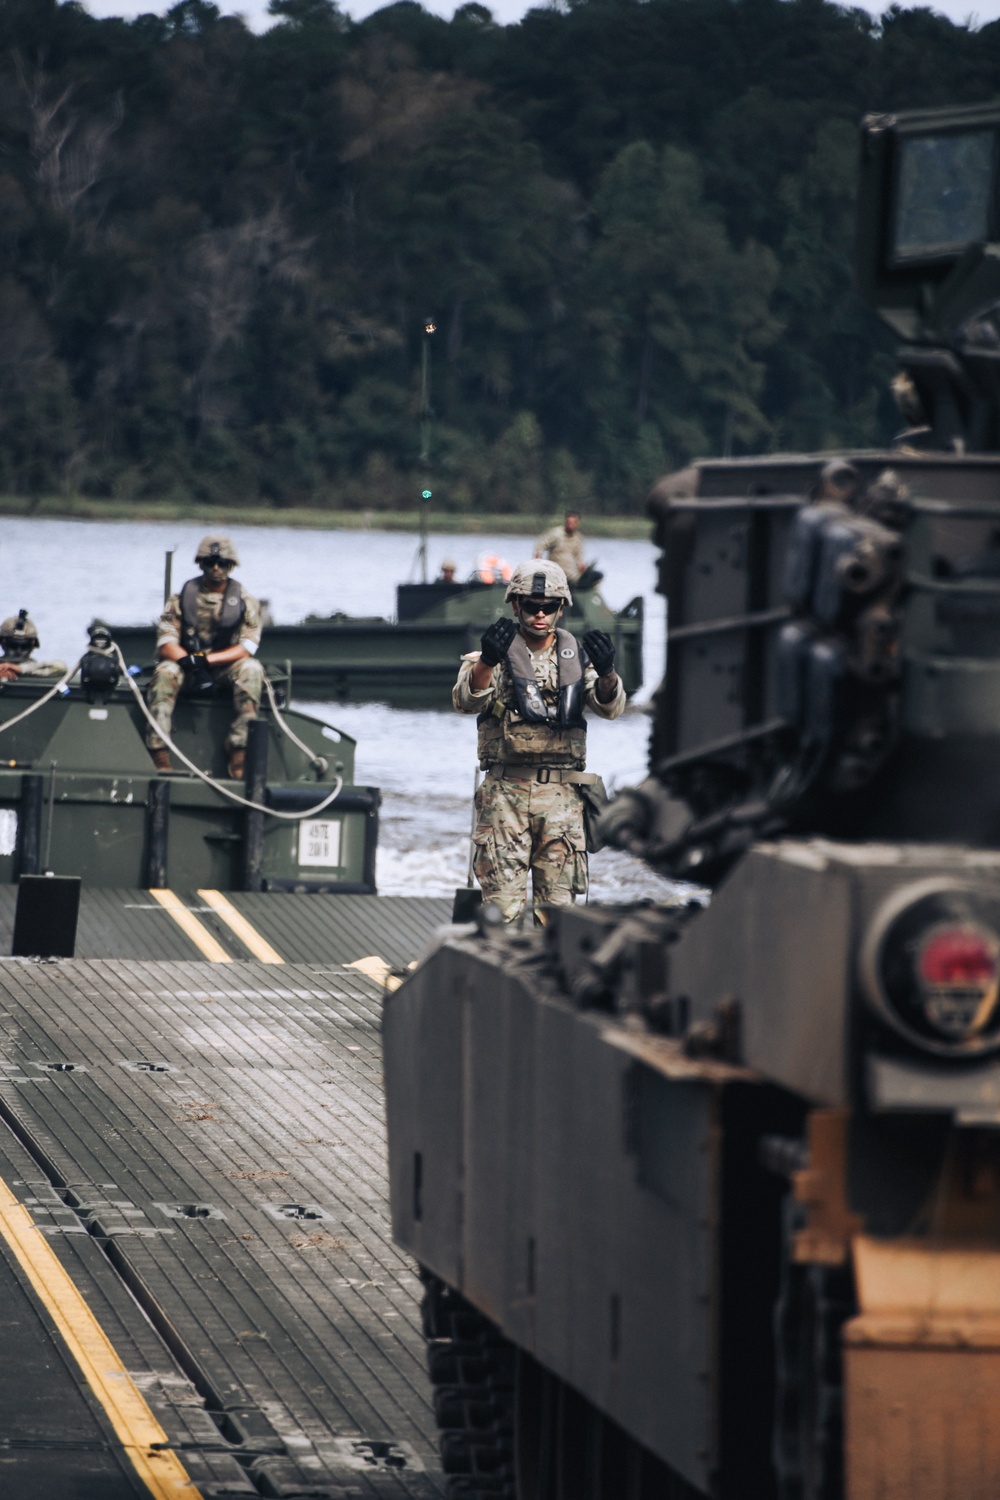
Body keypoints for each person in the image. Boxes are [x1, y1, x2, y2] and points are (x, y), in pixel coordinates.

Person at [453, 559, 625, 924]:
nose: (541, 614)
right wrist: (487, 660)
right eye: (532, 606)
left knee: (558, 917)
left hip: (562, 801)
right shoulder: (495, 653)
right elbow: (466, 701)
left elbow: (609, 707)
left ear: (562, 608)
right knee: (499, 913)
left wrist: (608, 672)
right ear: (516, 605)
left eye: (550, 606)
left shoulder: (577, 659)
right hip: (505, 797)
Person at [145, 534, 264, 779]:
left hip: (223, 668)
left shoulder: (245, 602)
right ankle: (159, 751)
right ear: (201, 564)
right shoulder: (180, 600)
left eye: (222, 563)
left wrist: (207, 662)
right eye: (211, 563)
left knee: (252, 669)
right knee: (164, 673)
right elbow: (166, 641)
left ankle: (238, 749)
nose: (216, 569)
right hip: (185, 665)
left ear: (231, 566)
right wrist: (190, 663)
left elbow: (247, 646)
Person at [0, 610, 66, 681]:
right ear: (3, 644)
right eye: (13, 646)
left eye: (24, 647)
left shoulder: (34, 669)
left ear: (33, 646)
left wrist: (19, 668)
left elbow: (61, 667)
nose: (19, 652)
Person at [534, 511, 588, 585]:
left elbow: (579, 557)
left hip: (571, 573)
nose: (570, 526)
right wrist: (538, 557)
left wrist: (581, 566)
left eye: (573, 523)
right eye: (568, 523)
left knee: (594, 577)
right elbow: (541, 544)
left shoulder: (577, 538)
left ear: (577, 524)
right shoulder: (556, 534)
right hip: (555, 570)